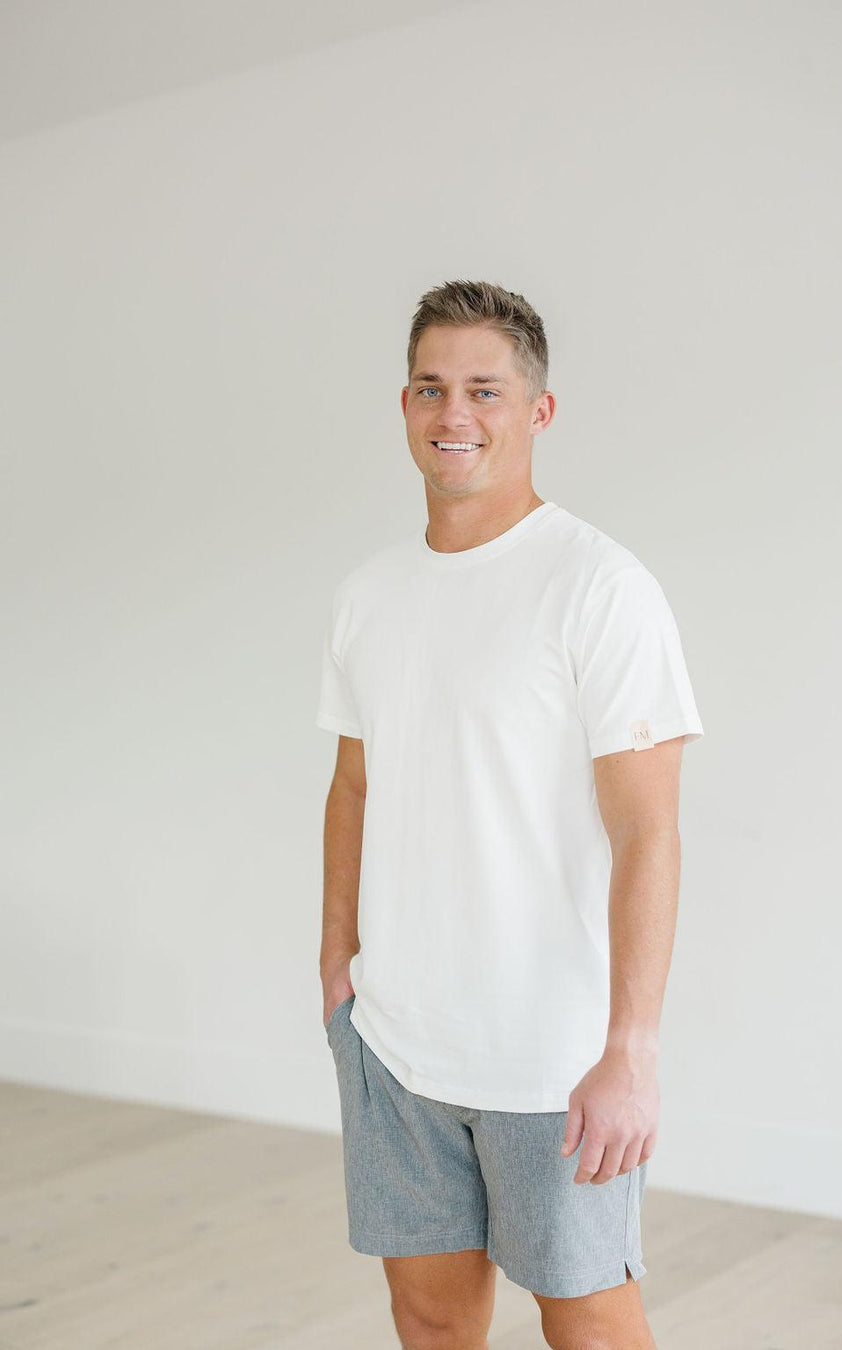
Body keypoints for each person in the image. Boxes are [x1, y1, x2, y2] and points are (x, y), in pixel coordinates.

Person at [315, 279, 704, 1350]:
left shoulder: (600, 587)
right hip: (396, 1042)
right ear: (405, 404)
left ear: (538, 410)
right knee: (430, 1317)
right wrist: (338, 961)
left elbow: (648, 831)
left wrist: (631, 1050)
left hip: (551, 1056)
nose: (455, 414)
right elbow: (354, 786)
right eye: (431, 388)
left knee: (591, 1326)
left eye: (484, 390)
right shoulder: (368, 594)